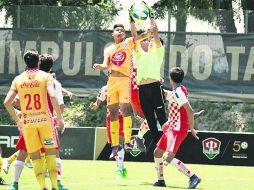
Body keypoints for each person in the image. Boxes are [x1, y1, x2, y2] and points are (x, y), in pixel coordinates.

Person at [4, 49, 65, 190]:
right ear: (38, 62)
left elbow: (7, 102)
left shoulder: (18, 79)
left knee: (35, 156)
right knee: (51, 153)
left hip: (28, 124)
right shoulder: (46, 77)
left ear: (25, 62)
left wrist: (17, 119)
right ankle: (54, 186)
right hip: (45, 122)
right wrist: (60, 118)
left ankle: (42, 186)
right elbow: (53, 96)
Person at [93, 23, 152, 159]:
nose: (119, 31)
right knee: (113, 112)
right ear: (113, 34)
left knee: (125, 110)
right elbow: (105, 64)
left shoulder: (128, 42)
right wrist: (99, 67)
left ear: (124, 34)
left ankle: (127, 142)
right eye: (117, 30)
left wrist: (148, 32)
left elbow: (141, 36)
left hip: (125, 80)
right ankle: (114, 146)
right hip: (112, 81)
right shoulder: (108, 49)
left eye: (122, 30)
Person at [153, 67, 201, 189]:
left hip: (178, 130)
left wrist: (191, 128)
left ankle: (193, 176)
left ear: (171, 78)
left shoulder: (178, 93)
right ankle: (161, 181)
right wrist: (169, 122)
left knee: (168, 157)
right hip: (172, 128)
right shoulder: (177, 91)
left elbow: (189, 111)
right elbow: (177, 109)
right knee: (157, 152)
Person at [89, 85, 127, 179]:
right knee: (114, 145)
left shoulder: (124, 85)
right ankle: (122, 167)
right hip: (110, 118)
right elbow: (97, 103)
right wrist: (94, 105)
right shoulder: (104, 88)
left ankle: (119, 169)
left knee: (120, 143)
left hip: (122, 117)